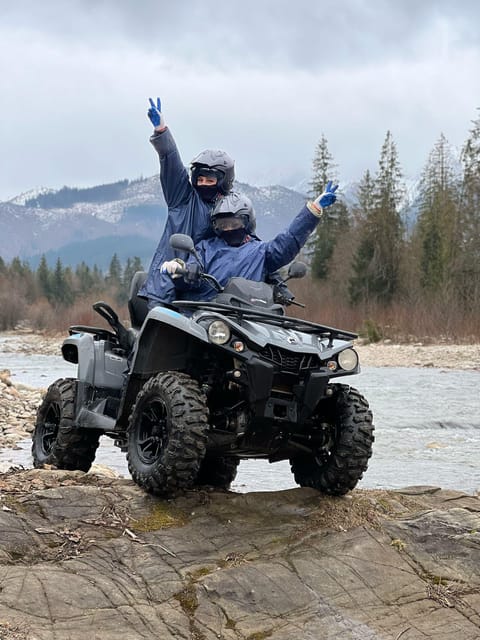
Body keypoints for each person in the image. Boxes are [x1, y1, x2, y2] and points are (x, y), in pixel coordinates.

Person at [160, 183, 338, 303]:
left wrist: (312, 211)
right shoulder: (205, 248)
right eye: (223, 224)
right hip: (206, 315)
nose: (229, 228)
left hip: (249, 316)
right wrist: (182, 270)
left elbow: (287, 243)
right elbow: (190, 270)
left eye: (234, 223)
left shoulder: (261, 252)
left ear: (247, 223)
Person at [139, 97, 235, 307]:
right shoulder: (183, 198)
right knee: (164, 333)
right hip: (168, 288)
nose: (203, 184)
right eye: (199, 179)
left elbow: (246, 244)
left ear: (223, 181)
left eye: (209, 180)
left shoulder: (231, 210)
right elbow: (171, 162)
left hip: (209, 292)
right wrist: (162, 131)